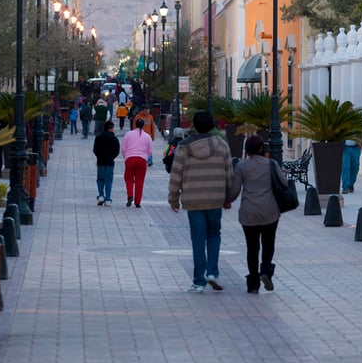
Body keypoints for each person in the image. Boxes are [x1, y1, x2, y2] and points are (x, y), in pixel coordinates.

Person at [168, 110, 233, 293]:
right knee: (214, 234)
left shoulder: (184, 147)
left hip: (193, 200)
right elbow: (229, 173)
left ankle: (199, 280)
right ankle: (212, 272)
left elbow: (176, 174)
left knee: (198, 239)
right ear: (212, 125)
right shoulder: (221, 145)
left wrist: (173, 199)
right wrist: (228, 198)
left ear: (194, 125)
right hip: (215, 199)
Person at [228, 135, 285, 293]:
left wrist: (227, 201)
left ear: (247, 149)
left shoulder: (241, 166)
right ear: (262, 148)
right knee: (268, 244)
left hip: (249, 212)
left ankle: (253, 283)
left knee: (252, 248)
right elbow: (284, 183)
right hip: (270, 211)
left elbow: (235, 190)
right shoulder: (271, 164)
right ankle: (266, 270)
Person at [120, 117, 153, 208]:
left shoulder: (128, 134)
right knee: (140, 181)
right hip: (142, 159)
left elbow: (123, 148)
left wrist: (126, 157)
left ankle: (130, 195)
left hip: (130, 158)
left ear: (135, 125)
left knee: (128, 178)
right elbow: (150, 150)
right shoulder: (147, 136)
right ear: (143, 126)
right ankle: (137, 202)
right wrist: (145, 157)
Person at [92, 121, 120, 206]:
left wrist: (99, 156)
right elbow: (117, 151)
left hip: (100, 161)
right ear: (111, 128)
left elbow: (95, 150)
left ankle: (101, 196)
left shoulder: (98, 137)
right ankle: (108, 199)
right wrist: (112, 157)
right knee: (108, 180)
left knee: (100, 179)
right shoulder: (114, 139)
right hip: (110, 162)